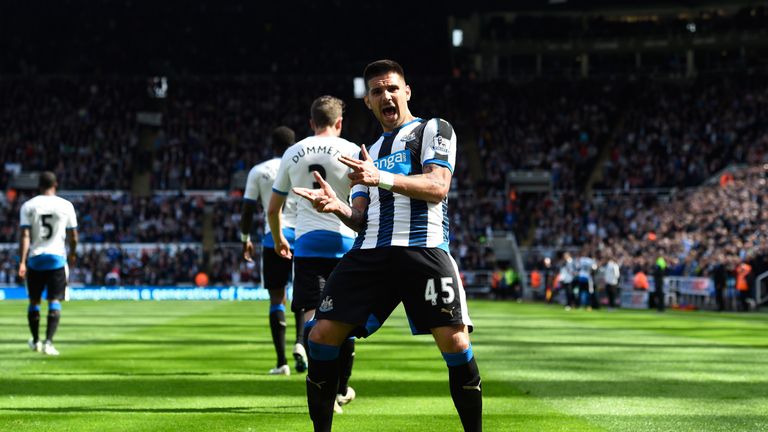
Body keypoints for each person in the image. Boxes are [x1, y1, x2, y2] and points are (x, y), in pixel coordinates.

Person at [292, 60, 482, 432]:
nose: (386, 96)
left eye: (392, 88)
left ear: (406, 91)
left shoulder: (433, 129)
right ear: (368, 102)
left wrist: (380, 177)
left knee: (456, 344)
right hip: (369, 254)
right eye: (377, 91)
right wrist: (338, 207)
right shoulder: (369, 152)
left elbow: (438, 186)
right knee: (319, 335)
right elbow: (360, 219)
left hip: (423, 250)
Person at [268, 96, 361, 413]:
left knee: (312, 317)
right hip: (345, 243)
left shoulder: (293, 152)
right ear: (339, 123)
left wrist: (280, 237)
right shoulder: (351, 150)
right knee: (344, 321)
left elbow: (273, 207)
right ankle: (340, 390)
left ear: (310, 123)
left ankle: (318, 381)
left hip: (307, 245)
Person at [241, 126, 305, 375]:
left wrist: (245, 238)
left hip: (274, 238)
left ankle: (282, 363)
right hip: (303, 236)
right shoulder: (301, 165)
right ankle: (301, 342)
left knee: (277, 298)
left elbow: (247, 208)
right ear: (293, 143)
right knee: (303, 294)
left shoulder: (259, 170)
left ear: (272, 145)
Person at [18, 171, 78, 356]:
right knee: (54, 300)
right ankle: (49, 343)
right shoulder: (66, 205)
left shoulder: (28, 206)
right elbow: (73, 236)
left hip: (35, 259)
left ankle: (36, 341)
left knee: (34, 301)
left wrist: (22, 262)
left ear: (39, 185)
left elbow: (25, 235)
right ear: (55, 184)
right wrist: (73, 254)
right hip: (57, 258)